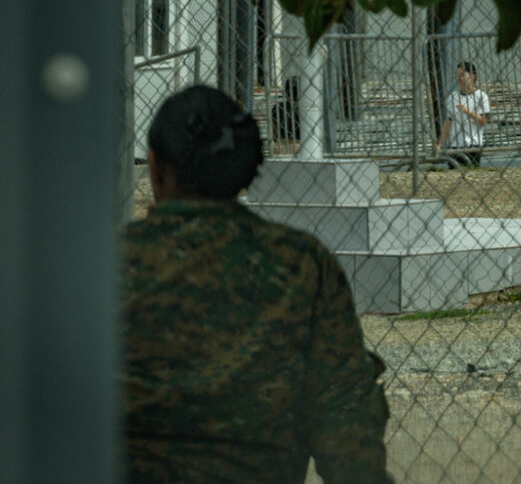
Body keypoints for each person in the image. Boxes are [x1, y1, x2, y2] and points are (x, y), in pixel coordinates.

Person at [122, 85, 392, 483]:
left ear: (154, 166)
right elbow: (345, 425)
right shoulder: (301, 265)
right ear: (244, 169)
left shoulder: (106, 265)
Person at [435, 61, 490, 166]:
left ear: (473, 76)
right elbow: (448, 122)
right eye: (458, 75)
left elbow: (483, 121)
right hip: (455, 145)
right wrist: (440, 144)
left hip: (473, 145)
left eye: (462, 75)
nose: (460, 78)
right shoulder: (453, 97)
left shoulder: (481, 97)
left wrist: (468, 112)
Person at [269, 76, 300, 155]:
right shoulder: (305, 108)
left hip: (281, 146)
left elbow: (273, 131)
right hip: (301, 146)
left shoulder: (277, 107)